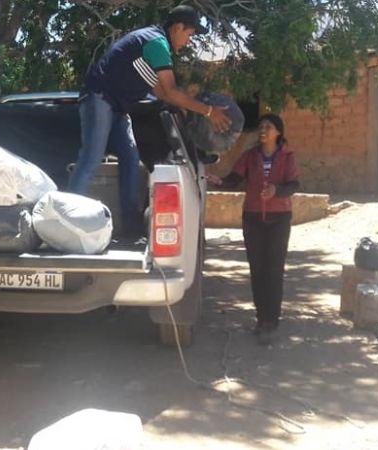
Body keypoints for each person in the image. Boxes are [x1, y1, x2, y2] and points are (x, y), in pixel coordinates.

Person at [67, 4, 232, 238]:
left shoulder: (154, 46)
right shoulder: (157, 43)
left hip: (118, 107)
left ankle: (130, 228)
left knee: (131, 160)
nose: (189, 40)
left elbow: (163, 93)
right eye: (189, 33)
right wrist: (208, 111)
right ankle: (67, 220)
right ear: (177, 28)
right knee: (91, 158)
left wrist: (187, 110)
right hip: (100, 98)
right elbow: (171, 90)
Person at [207, 114, 300, 344]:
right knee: (257, 269)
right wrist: (220, 181)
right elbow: (235, 179)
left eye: (268, 127)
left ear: (278, 132)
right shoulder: (250, 156)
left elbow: (293, 184)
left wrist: (276, 191)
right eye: (260, 126)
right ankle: (261, 318)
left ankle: (272, 318)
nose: (262, 130)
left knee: (274, 268)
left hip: (279, 218)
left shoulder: (288, 157)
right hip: (253, 218)